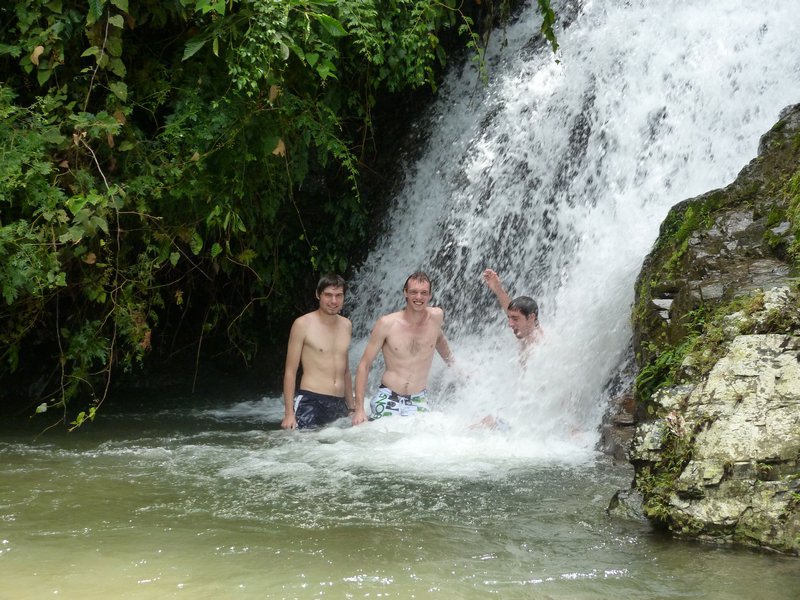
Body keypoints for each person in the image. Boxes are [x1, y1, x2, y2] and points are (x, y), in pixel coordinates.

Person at [352, 271, 455, 424]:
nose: (418, 297)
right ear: (405, 293)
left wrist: (453, 364)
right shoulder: (387, 324)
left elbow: (439, 338)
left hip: (418, 399)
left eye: (423, 293)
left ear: (430, 295)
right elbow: (364, 365)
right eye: (413, 292)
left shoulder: (436, 316)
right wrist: (359, 410)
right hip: (388, 397)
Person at [282, 274, 357, 430]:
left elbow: (346, 371)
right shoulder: (302, 324)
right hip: (311, 401)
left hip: (339, 403)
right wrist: (289, 414)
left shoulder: (346, 325)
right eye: (328, 295)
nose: (334, 301)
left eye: (338, 295)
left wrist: (352, 408)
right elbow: (290, 371)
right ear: (318, 294)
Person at [482, 268, 542, 348]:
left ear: (531, 317)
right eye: (509, 318)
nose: (510, 324)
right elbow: (512, 310)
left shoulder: (543, 345)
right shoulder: (527, 335)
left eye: (515, 319)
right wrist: (497, 288)